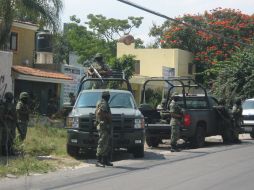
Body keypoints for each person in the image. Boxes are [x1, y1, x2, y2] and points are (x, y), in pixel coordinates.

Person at [95, 91, 113, 167]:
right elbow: (100, 112)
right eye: (108, 96)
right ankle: (98, 160)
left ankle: (105, 160)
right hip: (104, 125)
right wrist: (108, 117)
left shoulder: (100, 102)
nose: (109, 97)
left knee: (106, 143)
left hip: (104, 125)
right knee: (102, 142)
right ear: (106, 97)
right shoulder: (103, 103)